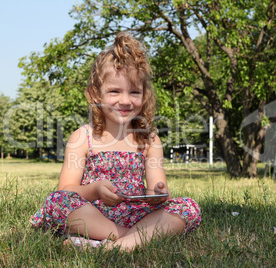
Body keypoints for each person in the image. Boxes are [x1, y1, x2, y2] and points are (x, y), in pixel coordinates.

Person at [30, 32, 201, 251]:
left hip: (138, 215)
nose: (125, 100)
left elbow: (157, 190)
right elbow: (66, 190)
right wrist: (94, 190)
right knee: (56, 201)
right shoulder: (82, 137)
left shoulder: (149, 140)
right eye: (114, 91)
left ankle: (111, 247)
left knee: (188, 207)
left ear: (145, 95)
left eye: (134, 92)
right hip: (94, 216)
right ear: (95, 95)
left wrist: (157, 194)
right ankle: (129, 239)